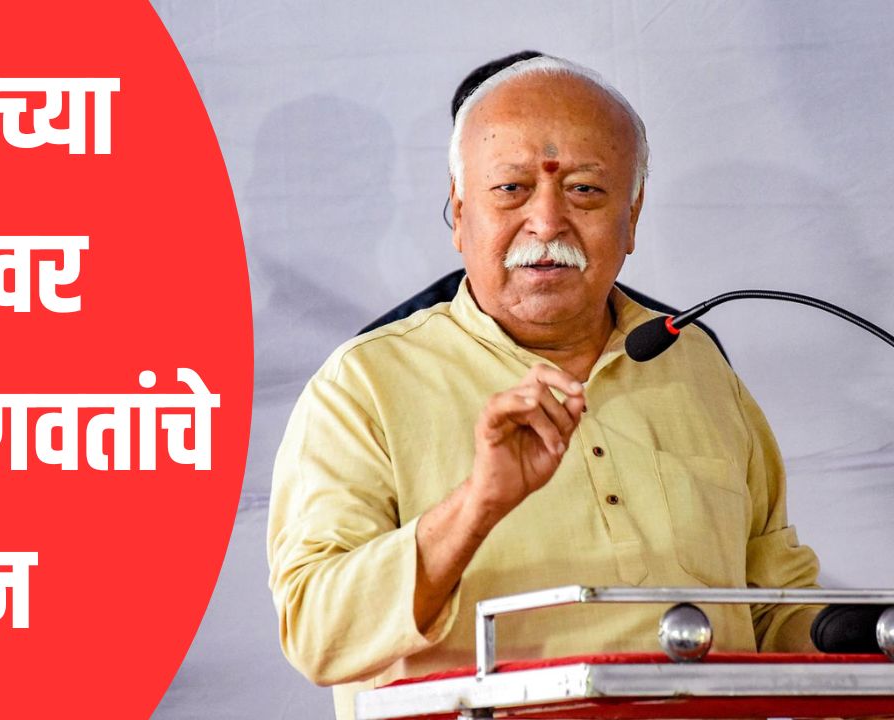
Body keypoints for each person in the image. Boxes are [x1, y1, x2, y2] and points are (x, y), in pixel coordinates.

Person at [266, 55, 821, 720]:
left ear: (633, 215)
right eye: (511, 189)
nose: (548, 221)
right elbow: (317, 632)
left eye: (585, 190)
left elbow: (774, 605)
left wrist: (864, 638)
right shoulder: (365, 384)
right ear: (459, 212)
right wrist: (477, 505)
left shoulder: (695, 365)